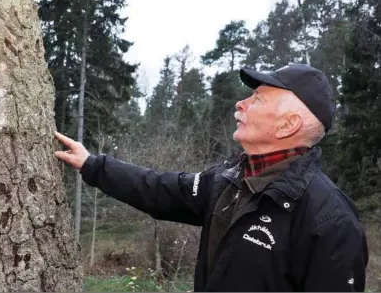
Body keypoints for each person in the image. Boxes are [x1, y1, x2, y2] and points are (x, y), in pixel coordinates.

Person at [54, 64, 369, 292]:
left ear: (288, 126)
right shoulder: (227, 181)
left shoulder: (330, 220)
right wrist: (92, 164)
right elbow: (157, 189)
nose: (241, 103)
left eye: (258, 99)